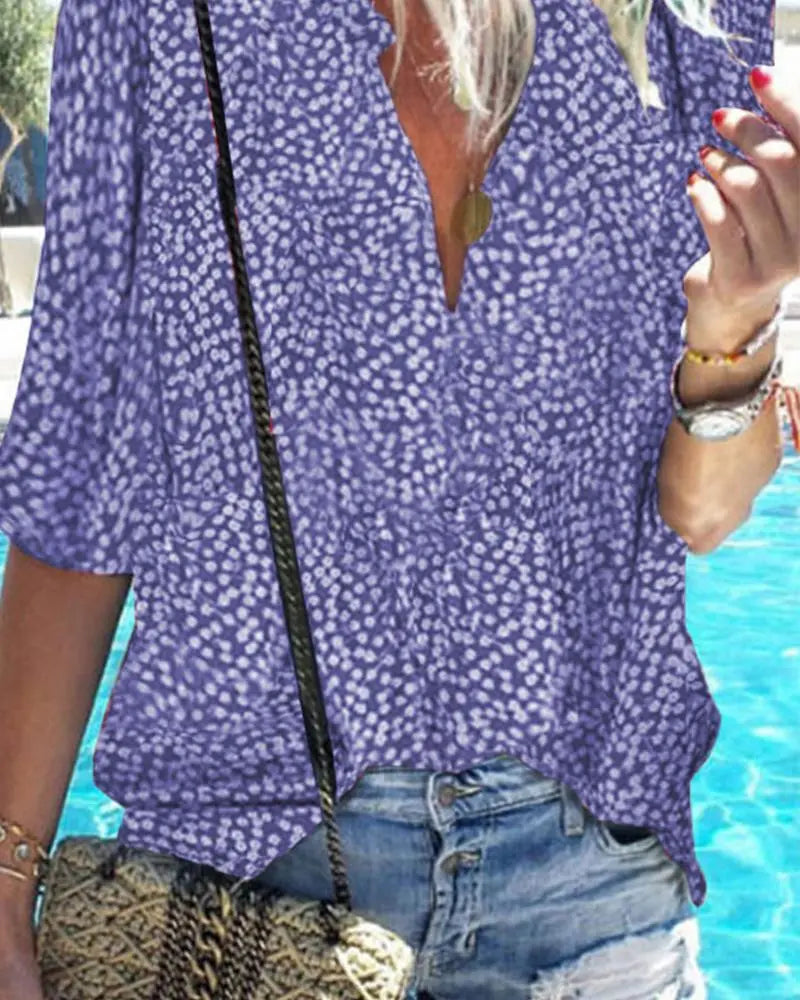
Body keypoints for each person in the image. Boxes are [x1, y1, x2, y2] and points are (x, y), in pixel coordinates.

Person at [0, 0, 796, 997]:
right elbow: (80, 469)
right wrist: (6, 882)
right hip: (236, 901)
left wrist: (735, 321)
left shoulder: (690, 20)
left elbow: (705, 512)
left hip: (589, 909)